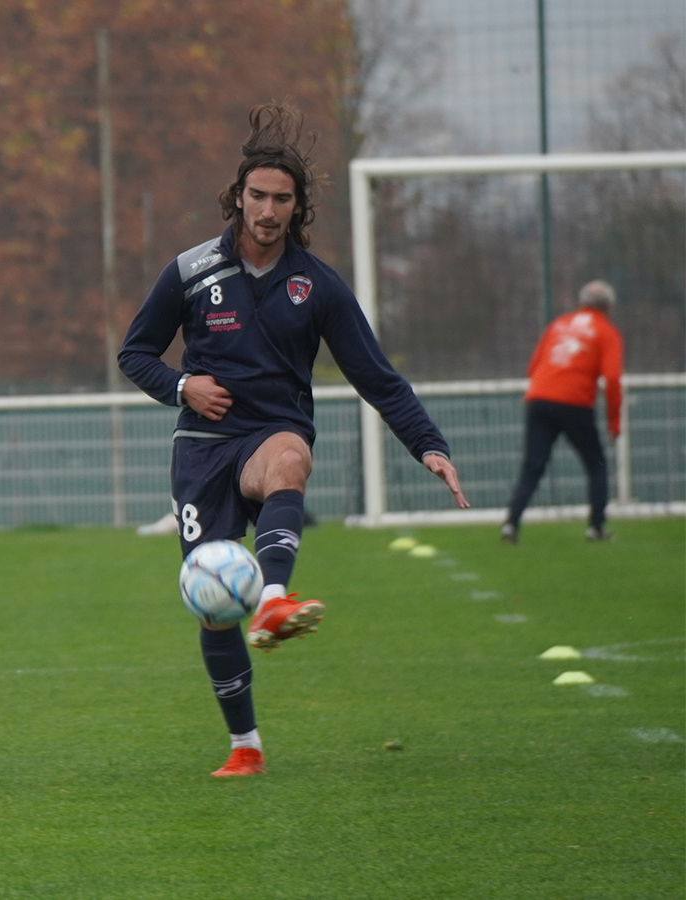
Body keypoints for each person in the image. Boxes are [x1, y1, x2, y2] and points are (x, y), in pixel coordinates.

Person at [117, 103, 469, 777]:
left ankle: (275, 599)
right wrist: (182, 386)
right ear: (238, 197)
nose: (268, 210)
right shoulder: (190, 272)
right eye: (258, 196)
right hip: (200, 447)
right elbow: (135, 353)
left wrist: (429, 444)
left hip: (270, 432)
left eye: (282, 199)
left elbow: (379, 378)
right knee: (214, 606)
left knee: (290, 459)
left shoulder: (319, 286)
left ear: (297, 206)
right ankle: (245, 747)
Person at [501, 280, 624, 544]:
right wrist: (614, 422)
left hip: (540, 398)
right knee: (596, 464)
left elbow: (533, 366)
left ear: (582, 303)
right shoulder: (606, 331)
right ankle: (596, 527)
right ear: (608, 306)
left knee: (533, 465)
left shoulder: (559, 324)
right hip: (575, 403)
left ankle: (511, 524)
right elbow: (612, 379)